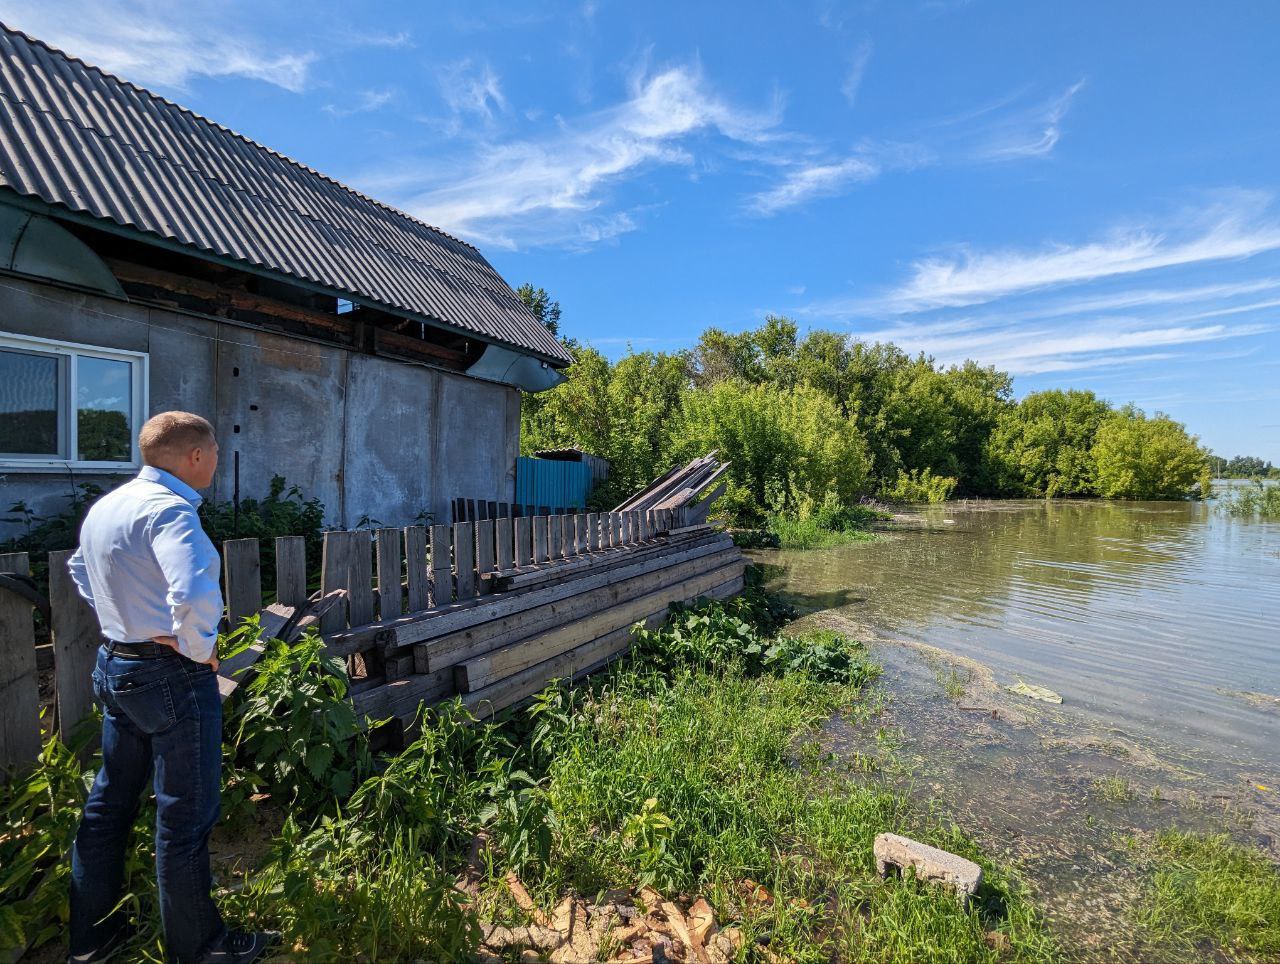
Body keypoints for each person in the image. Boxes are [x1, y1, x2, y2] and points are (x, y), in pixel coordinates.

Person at [66, 411, 277, 964]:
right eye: (211, 451)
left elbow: (78, 570)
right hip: (169, 676)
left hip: (116, 665)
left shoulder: (108, 507)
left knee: (108, 806)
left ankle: (92, 942)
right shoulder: (170, 512)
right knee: (184, 816)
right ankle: (201, 949)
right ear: (196, 457)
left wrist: (123, 617)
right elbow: (194, 594)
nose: (212, 461)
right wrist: (198, 647)